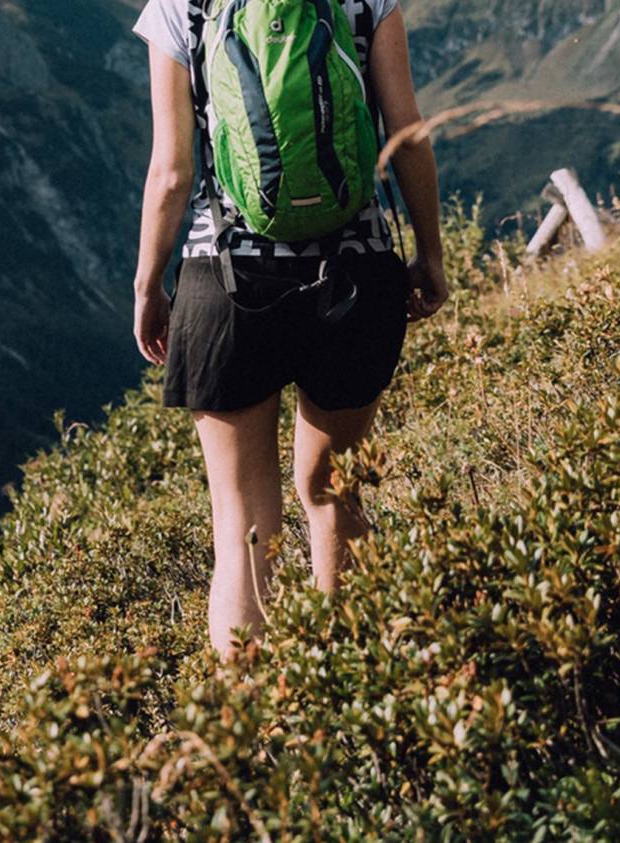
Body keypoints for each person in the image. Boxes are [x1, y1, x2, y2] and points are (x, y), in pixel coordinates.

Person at [131, 0, 449, 657]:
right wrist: (430, 254)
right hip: (356, 276)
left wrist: (148, 285)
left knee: (242, 518)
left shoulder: (180, 7)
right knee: (335, 489)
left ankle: (254, 732)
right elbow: (408, 131)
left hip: (225, 282)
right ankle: (347, 695)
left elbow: (171, 173)